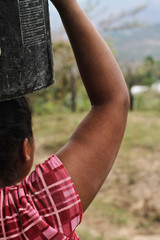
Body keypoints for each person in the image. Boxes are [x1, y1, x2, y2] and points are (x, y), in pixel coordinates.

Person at [0, 0, 129, 239]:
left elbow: (111, 102)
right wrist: (66, 4)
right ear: (24, 152)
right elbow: (112, 101)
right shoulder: (29, 214)